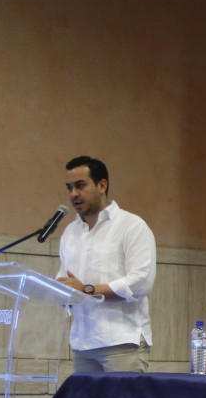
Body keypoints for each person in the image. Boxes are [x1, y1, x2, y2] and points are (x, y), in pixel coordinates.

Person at [56, 156, 157, 372]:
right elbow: (65, 279)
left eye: (80, 185)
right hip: (82, 344)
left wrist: (88, 290)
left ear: (102, 185)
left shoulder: (131, 226)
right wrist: (58, 290)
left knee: (121, 397)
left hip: (122, 342)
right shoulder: (70, 233)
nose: (73, 194)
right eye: (70, 188)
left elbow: (141, 282)